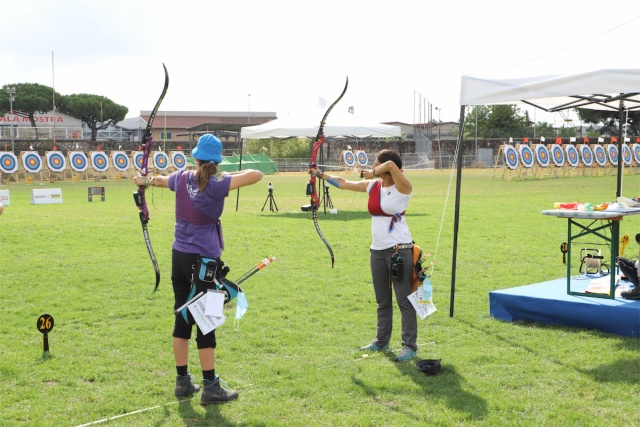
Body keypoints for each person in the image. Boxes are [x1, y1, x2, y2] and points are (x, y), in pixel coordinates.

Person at [134, 133, 264, 404]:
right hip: (204, 262)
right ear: (216, 161)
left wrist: (143, 180)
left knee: (182, 317)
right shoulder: (217, 184)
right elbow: (257, 174)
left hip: (179, 256)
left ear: (195, 157)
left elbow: (158, 179)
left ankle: (182, 381)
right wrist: (224, 175)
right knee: (206, 324)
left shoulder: (180, 177)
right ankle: (210, 387)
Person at [310, 149, 418, 362]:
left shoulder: (403, 188)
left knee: (404, 300)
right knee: (382, 300)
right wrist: (319, 174)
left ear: (384, 166)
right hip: (377, 250)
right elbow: (342, 183)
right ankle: (381, 340)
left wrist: (372, 171)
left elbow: (390, 167)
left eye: (375, 163)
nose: (371, 167)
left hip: (400, 250)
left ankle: (409, 346)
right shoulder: (373, 186)